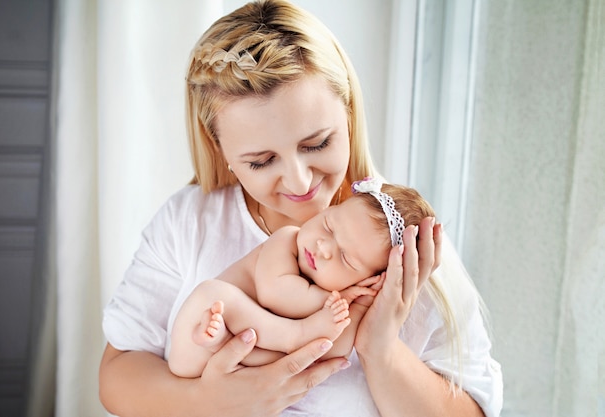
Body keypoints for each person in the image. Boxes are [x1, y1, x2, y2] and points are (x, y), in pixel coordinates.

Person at [99, 1, 503, 416]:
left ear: (348, 114)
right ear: (220, 150)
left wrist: (379, 349)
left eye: (317, 144)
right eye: (261, 161)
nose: (300, 182)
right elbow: (116, 374)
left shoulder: (404, 247)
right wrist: (205, 402)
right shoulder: (191, 222)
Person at [168, 179, 430, 378]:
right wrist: (323, 310)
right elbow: (275, 293)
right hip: (192, 344)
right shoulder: (287, 240)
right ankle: (225, 337)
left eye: (346, 259)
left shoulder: (340, 298)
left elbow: (330, 349)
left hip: (236, 371)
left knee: (291, 351)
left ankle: (221, 340)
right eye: (328, 225)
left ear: (368, 279)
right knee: (211, 293)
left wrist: (359, 305)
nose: (323, 247)